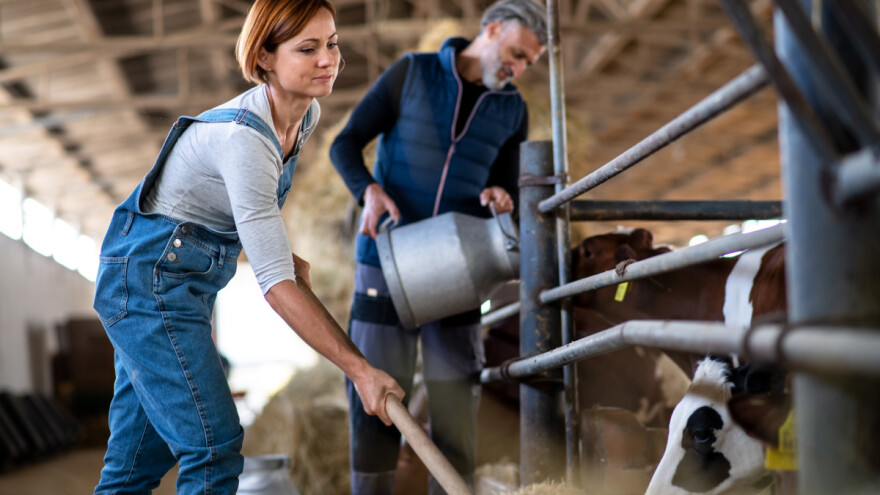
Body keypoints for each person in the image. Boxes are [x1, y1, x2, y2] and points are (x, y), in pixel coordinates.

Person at [90, 1, 404, 493]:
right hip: (147, 282)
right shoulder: (245, 140)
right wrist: (361, 372)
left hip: (178, 283)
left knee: (134, 468)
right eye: (307, 49)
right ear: (264, 58)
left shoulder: (306, 115)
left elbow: (250, 214)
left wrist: (277, 251)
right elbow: (275, 287)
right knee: (213, 449)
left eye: (332, 43)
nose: (329, 60)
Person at [329, 1, 547, 492]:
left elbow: (503, 188)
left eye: (529, 63)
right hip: (385, 261)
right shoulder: (412, 73)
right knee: (376, 405)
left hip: (459, 272)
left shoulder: (512, 110)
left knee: (455, 409)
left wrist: (500, 200)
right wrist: (368, 190)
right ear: (492, 29)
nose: (518, 69)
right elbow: (345, 143)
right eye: (517, 54)